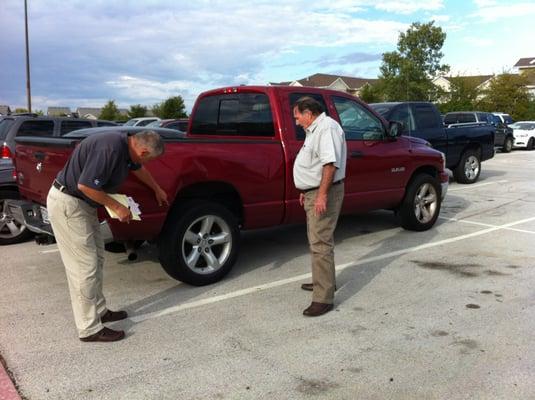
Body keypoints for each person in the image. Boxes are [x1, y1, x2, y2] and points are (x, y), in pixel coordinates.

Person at [47, 129, 168, 342]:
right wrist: (117, 208)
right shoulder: (110, 148)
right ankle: (89, 328)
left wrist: (157, 188)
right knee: (84, 267)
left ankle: (100, 310)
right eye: (150, 158)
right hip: (70, 204)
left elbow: (139, 169)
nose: (147, 162)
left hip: (83, 206)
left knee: (97, 259)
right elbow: (85, 185)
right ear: (143, 150)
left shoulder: (126, 148)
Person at [292, 97, 347, 317]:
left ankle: (323, 298)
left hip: (325, 192)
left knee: (320, 243)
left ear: (309, 113)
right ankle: (323, 282)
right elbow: (314, 164)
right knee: (317, 241)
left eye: (297, 117)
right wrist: (306, 190)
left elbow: (330, 165)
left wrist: (322, 195)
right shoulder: (315, 129)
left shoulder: (326, 129)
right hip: (315, 192)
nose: (296, 122)